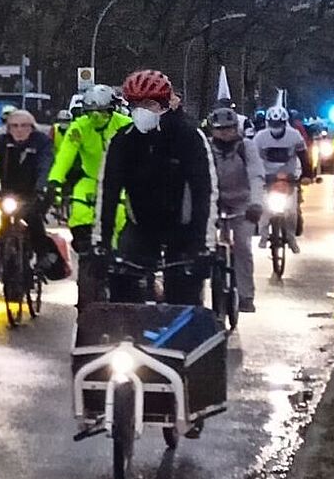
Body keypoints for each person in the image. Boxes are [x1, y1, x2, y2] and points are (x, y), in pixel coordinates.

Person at [96, 69, 215, 306]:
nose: (141, 110)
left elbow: (206, 193)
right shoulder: (122, 140)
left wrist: (204, 246)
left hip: (183, 230)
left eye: (148, 104)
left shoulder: (189, 137)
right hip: (141, 228)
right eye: (135, 104)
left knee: (183, 299)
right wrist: (101, 244)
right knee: (121, 290)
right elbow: (107, 192)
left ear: (163, 104)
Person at [46, 83, 133, 305]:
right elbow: (65, 156)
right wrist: (55, 180)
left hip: (121, 182)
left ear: (111, 110)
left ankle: (120, 264)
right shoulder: (79, 128)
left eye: (102, 112)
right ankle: (86, 255)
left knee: (122, 223)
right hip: (89, 181)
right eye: (91, 112)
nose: (96, 117)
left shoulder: (126, 125)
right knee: (80, 217)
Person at [0, 109, 64, 278]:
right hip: (8, 193)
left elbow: (45, 165)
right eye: (14, 126)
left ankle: (42, 255)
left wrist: (42, 187)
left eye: (24, 126)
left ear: (32, 127)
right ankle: (0, 259)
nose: (19, 130)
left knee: (33, 216)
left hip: (35, 191)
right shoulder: (0, 142)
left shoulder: (41, 142)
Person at [206, 108, 263, 313]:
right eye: (220, 130)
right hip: (215, 202)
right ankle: (212, 288)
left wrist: (256, 204)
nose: (224, 133)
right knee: (207, 247)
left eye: (229, 129)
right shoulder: (208, 149)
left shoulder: (246, 147)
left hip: (243, 204)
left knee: (242, 248)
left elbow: (256, 176)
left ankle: (246, 296)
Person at [250, 105, 307, 253]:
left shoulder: (294, 136)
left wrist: (307, 175)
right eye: (273, 124)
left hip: (288, 177)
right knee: (263, 209)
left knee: (292, 211)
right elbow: (253, 159)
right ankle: (263, 236)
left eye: (279, 124)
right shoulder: (260, 138)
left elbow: (304, 157)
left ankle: (291, 237)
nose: (276, 127)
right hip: (266, 177)